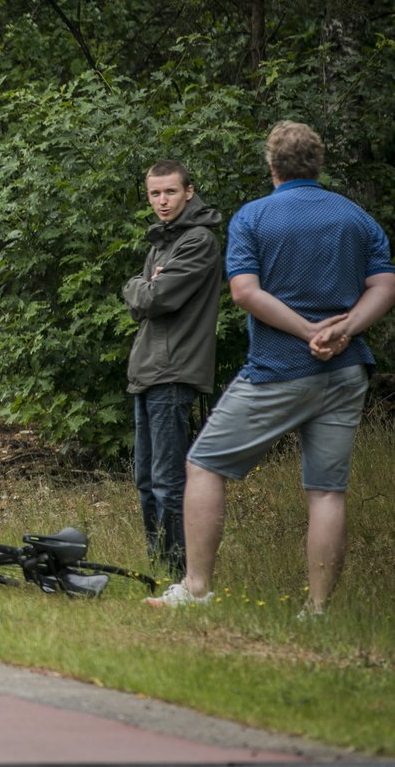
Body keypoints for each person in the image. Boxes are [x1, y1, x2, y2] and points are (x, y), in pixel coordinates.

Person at [148, 122, 394, 612]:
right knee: (327, 493)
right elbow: (385, 288)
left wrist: (307, 333)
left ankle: (196, 589)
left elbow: (244, 292)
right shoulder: (357, 218)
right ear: (317, 163)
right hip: (346, 372)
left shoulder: (254, 217)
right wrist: (341, 332)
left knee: (202, 464)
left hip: (279, 369)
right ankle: (317, 611)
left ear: (272, 165)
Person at [120, 161, 223, 575]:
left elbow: (154, 299)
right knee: (146, 483)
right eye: (154, 194)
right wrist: (143, 287)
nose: (162, 201)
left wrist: (138, 286)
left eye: (170, 192)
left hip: (174, 371)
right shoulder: (160, 244)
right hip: (148, 371)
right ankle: (160, 568)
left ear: (189, 192)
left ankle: (182, 574)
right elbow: (143, 302)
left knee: (167, 483)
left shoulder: (198, 240)